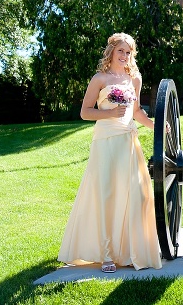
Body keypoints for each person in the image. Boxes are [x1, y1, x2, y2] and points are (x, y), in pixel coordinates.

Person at [58, 33, 162, 273]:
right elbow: (85, 112)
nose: (125, 56)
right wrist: (108, 114)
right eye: (121, 51)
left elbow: (136, 112)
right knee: (107, 196)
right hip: (105, 142)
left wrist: (157, 126)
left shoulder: (134, 79)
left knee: (137, 195)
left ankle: (131, 252)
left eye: (128, 52)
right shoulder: (100, 79)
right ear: (111, 52)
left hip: (127, 141)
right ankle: (106, 256)